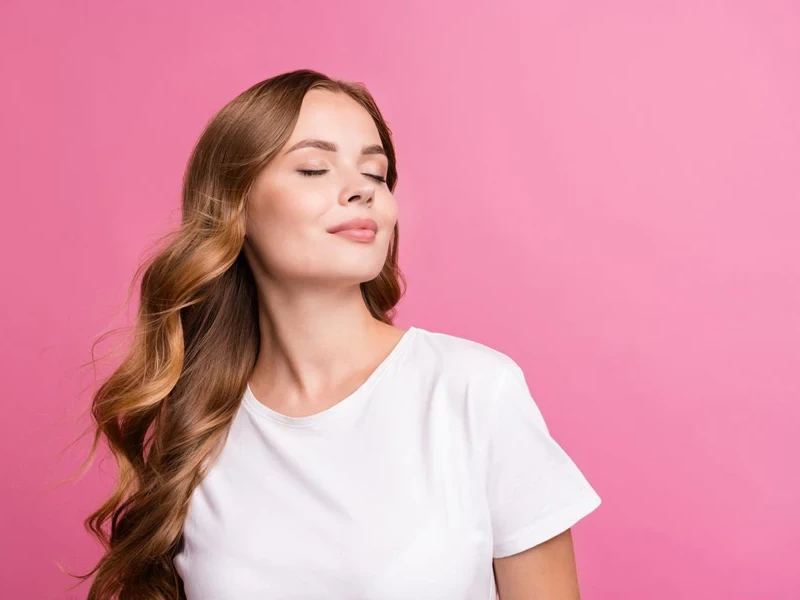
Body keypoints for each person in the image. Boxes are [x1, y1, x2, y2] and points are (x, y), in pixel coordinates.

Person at [74, 69, 602, 600]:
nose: (360, 191)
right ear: (235, 208)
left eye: (376, 173)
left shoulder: (473, 391)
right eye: (313, 168)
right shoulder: (199, 431)